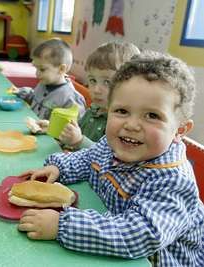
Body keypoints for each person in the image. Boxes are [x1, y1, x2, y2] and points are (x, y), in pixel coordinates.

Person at [17, 51, 204, 266]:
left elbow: (139, 235)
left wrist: (62, 226)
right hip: (105, 225)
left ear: (180, 130)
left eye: (152, 116)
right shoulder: (114, 142)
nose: (131, 125)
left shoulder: (173, 181)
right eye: (122, 111)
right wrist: (59, 168)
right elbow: (89, 158)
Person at [57, 42, 140, 150]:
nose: (96, 90)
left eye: (107, 82)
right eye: (93, 80)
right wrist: (58, 132)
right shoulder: (93, 109)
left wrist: (79, 141)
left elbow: (110, 156)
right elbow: (76, 133)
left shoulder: (123, 123)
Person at [12, 38, 86, 120]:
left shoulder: (70, 100)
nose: (37, 74)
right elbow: (35, 99)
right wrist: (22, 93)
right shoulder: (43, 83)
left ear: (61, 69)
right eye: (36, 68)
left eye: (42, 69)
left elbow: (74, 127)